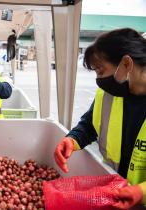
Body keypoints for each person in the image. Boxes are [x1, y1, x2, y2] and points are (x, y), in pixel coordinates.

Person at [54, 28, 146, 209]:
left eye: (101, 71)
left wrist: (141, 192)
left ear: (126, 64)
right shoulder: (109, 94)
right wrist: (72, 140)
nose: (99, 80)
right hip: (115, 192)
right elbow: (89, 124)